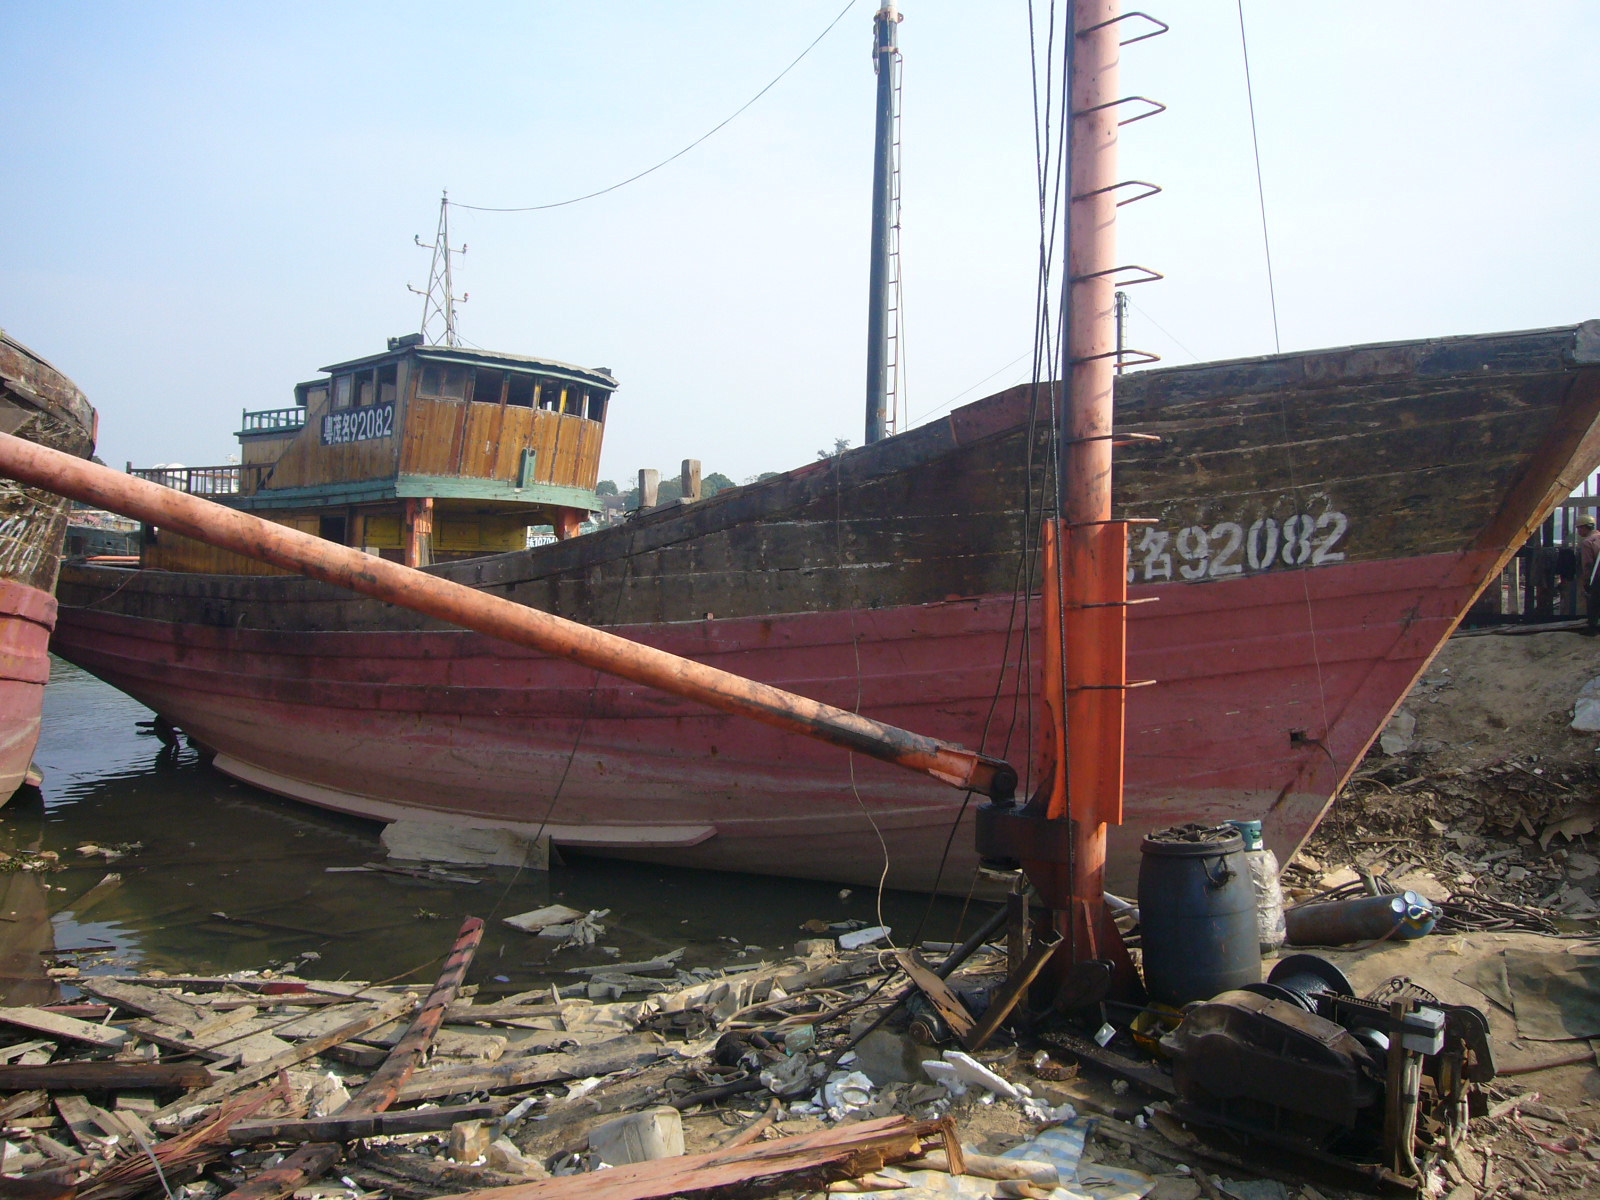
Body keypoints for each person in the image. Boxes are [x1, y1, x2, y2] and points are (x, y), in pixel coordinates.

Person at [1580, 515, 1600, 632]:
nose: (1578, 531)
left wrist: (1587, 581)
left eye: (1579, 528)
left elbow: (1587, 564)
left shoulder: (1587, 542)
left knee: (1593, 602)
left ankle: (1592, 629)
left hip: (1597, 577)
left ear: (1585, 528)